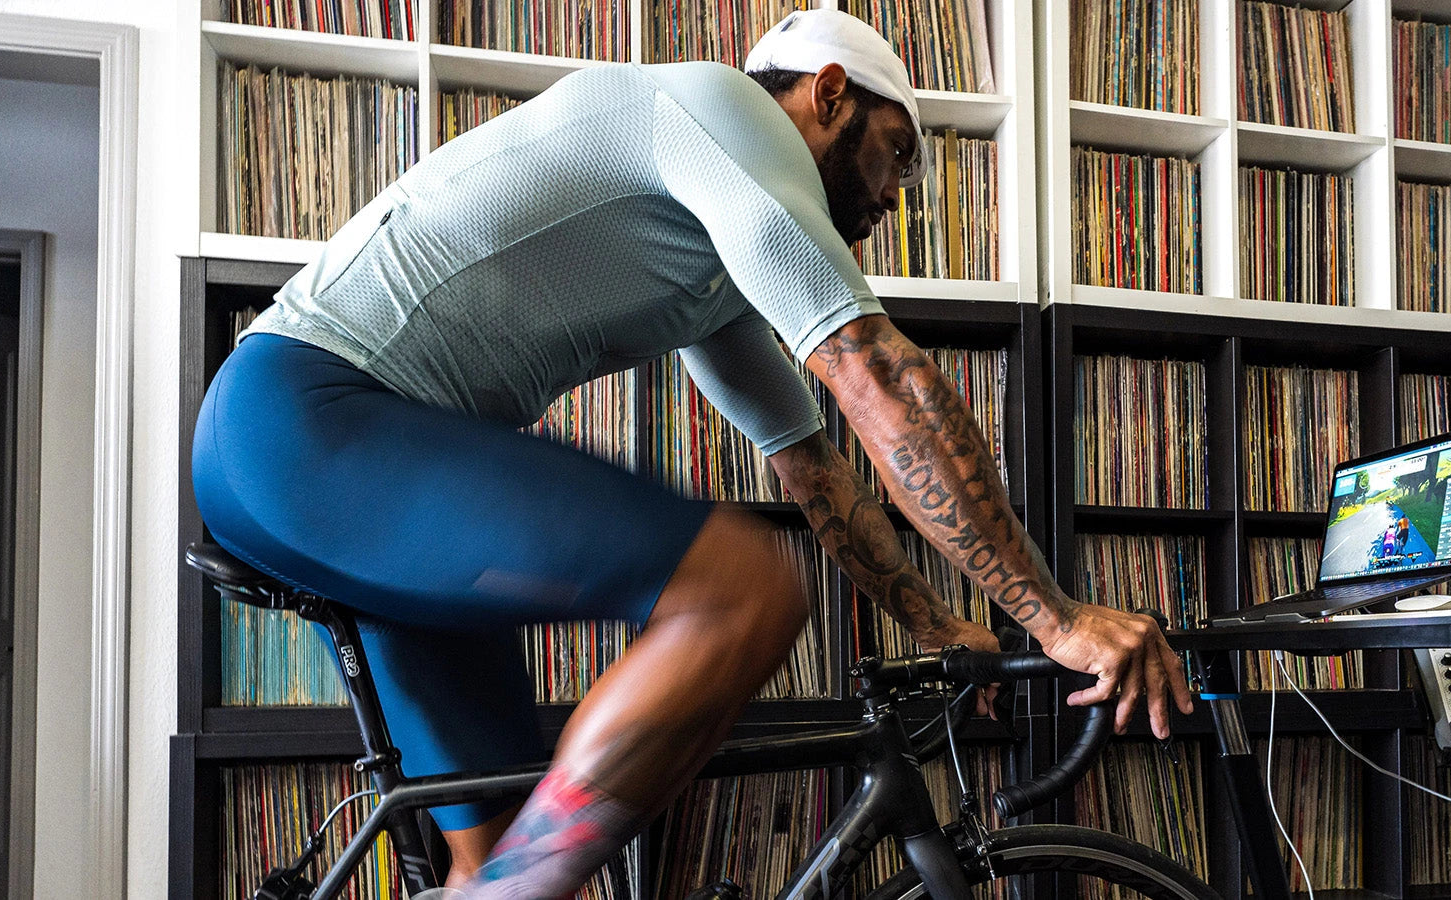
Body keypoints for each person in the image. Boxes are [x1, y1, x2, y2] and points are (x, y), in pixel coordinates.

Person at [189, 10, 1192, 898]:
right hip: (313, 423)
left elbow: (812, 471)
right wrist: (1054, 619)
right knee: (744, 590)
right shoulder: (719, 109)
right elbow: (878, 377)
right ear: (827, 94)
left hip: (316, 462)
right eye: (897, 153)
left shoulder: (710, 264)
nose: (896, 195)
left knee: (487, 861)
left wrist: (937, 622)